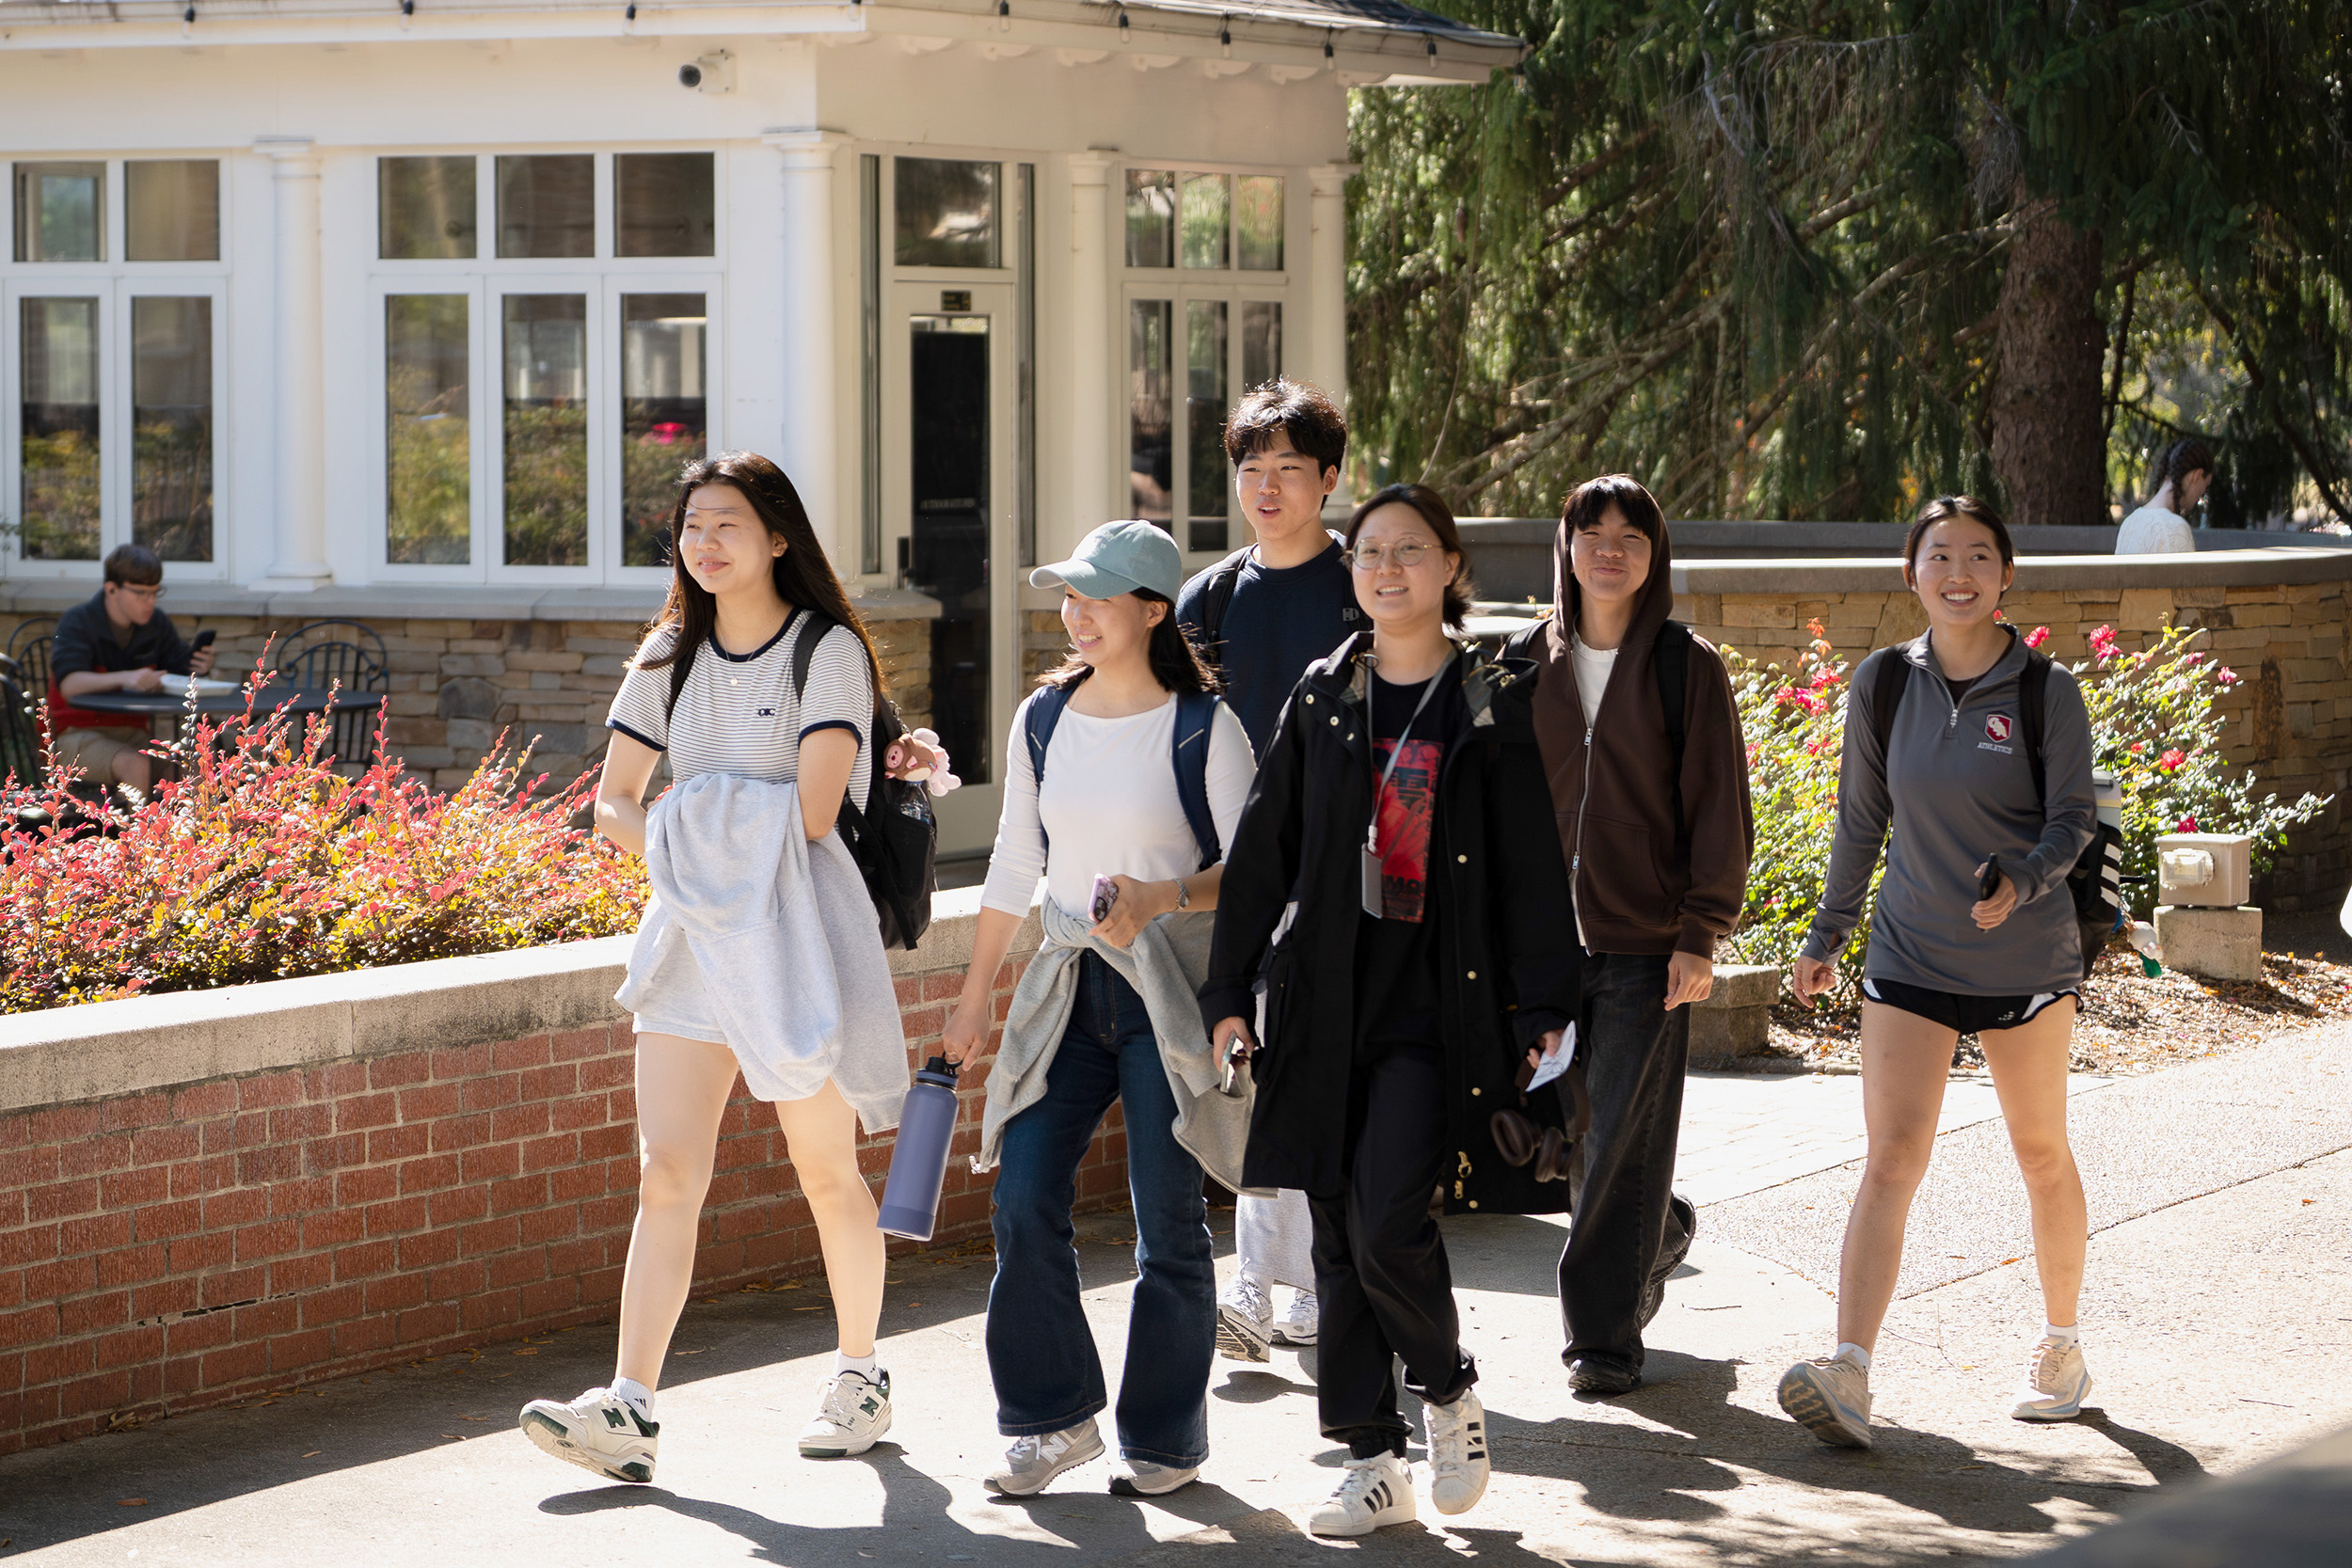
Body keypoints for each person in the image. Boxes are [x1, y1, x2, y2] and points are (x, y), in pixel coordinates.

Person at [518, 451, 939, 1485]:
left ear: (778, 538)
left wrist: (682, 818)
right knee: (667, 1173)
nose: (705, 544)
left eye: (727, 524)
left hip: (801, 933)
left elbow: (808, 811)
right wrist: (679, 842)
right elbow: (612, 799)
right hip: (694, 939)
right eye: (691, 526)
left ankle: (859, 1374)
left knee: (824, 1169)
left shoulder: (826, 648)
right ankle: (628, 1405)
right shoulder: (667, 652)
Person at [1202, 483, 1580, 1538]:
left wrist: (1546, 1002)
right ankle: (1371, 1458)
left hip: (1435, 1006)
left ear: (1449, 567)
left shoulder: (1488, 702)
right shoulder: (1325, 696)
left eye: (1409, 550)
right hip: (1326, 1001)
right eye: (1369, 551)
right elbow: (1262, 855)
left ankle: (1447, 1387)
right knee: (1335, 1231)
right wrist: (1229, 993)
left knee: (1385, 1220)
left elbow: (1530, 868)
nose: (1386, 567)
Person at [946, 519, 1256, 1500]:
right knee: (1022, 1193)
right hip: (1069, 983)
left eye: (1097, 595)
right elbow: (1013, 860)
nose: (1073, 613)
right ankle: (1051, 1418)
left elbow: (1253, 876)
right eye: (1068, 595)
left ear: (1152, 610)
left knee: (1168, 1222)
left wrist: (1164, 897)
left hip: (1168, 992)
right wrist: (971, 999)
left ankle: (1163, 1437)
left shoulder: (1204, 727)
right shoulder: (1043, 716)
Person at [1780, 494, 2098, 1449]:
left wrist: (2025, 876)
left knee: (2040, 1153)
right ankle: (1849, 1367)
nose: (1956, 571)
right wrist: (1827, 933)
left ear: (2006, 575)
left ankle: (2062, 1345)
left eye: (1977, 554)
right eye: (1937, 554)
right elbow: (1859, 821)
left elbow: (2072, 818)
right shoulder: (1882, 683)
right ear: (1909, 572)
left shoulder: (2046, 691)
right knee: (1890, 1157)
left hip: (2024, 956)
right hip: (1910, 950)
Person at [1510, 475, 1752, 1395]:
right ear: (1565, 545)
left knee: (1616, 1136)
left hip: (1645, 942)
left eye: (1632, 535)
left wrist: (1701, 931)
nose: (1610, 548)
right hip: (1537, 948)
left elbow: (1720, 810)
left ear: (1654, 556)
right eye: (1591, 531)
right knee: (1561, 1141)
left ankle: (1601, 1339)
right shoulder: (1519, 660)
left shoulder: (1684, 666)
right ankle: (1661, 1231)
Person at [1173, 378, 1359, 1363]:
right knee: (1247, 1065)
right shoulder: (1207, 597)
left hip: (1340, 868)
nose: (1269, 487)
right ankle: (1260, 1281)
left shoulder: (1357, 585)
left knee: (1315, 1069)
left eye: (1292, 468)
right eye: (1253, 469)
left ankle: (1307, 1281)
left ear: (1329, 478)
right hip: (1237, 872)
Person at [49, 543, 218, 794]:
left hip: (132, 735)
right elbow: (70, 685)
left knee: (189, 771)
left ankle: (184, 833)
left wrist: (201, 668)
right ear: (112, 589)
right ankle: (141, 834)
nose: (150, 601)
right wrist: (128, 678)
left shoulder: (156, 624)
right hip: (75, 735)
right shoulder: (79, 621)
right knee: (137, 765)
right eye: (141, 593)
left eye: (154, 593)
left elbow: (180, 673)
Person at [2113, 438, 2213, 554]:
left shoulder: (2130, 522)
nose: (2203, 491)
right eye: (2206, 484)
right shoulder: (2175, 528)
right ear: (2197, 475)